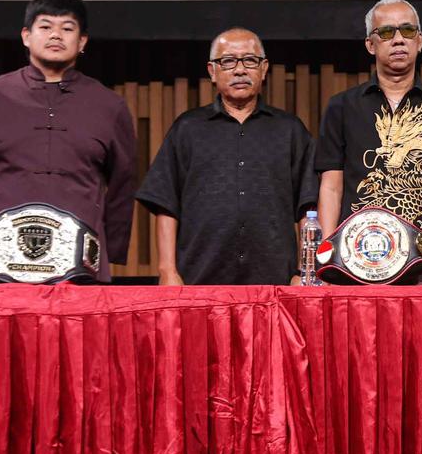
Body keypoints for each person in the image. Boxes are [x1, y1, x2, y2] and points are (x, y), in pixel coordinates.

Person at [0, 0, 137, 283]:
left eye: (67, 28)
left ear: (82, 41)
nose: (56, 35)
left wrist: (108, 253)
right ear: (26, 36)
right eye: (45, 26)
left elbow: (123, 184)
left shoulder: (109, 106)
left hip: (79, 266)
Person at [315, 0, 422, 285]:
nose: (399, 40)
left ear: (420, 41)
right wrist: (328, 261)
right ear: (371, 44)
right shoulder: (341, 107)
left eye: (407, 31)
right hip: (355, 262)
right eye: (387, 33)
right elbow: (331, 187)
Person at [136, 28, 318, 285]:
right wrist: (167, 271)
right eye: (228, 61)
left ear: (264, 69)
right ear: (212, 71)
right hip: (199, 277)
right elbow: (165, 203)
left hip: (275, 278)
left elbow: (308, 205)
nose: (240, 70)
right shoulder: (188, 129)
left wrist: (304, 271)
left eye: (249, 61)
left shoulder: (290, 130)